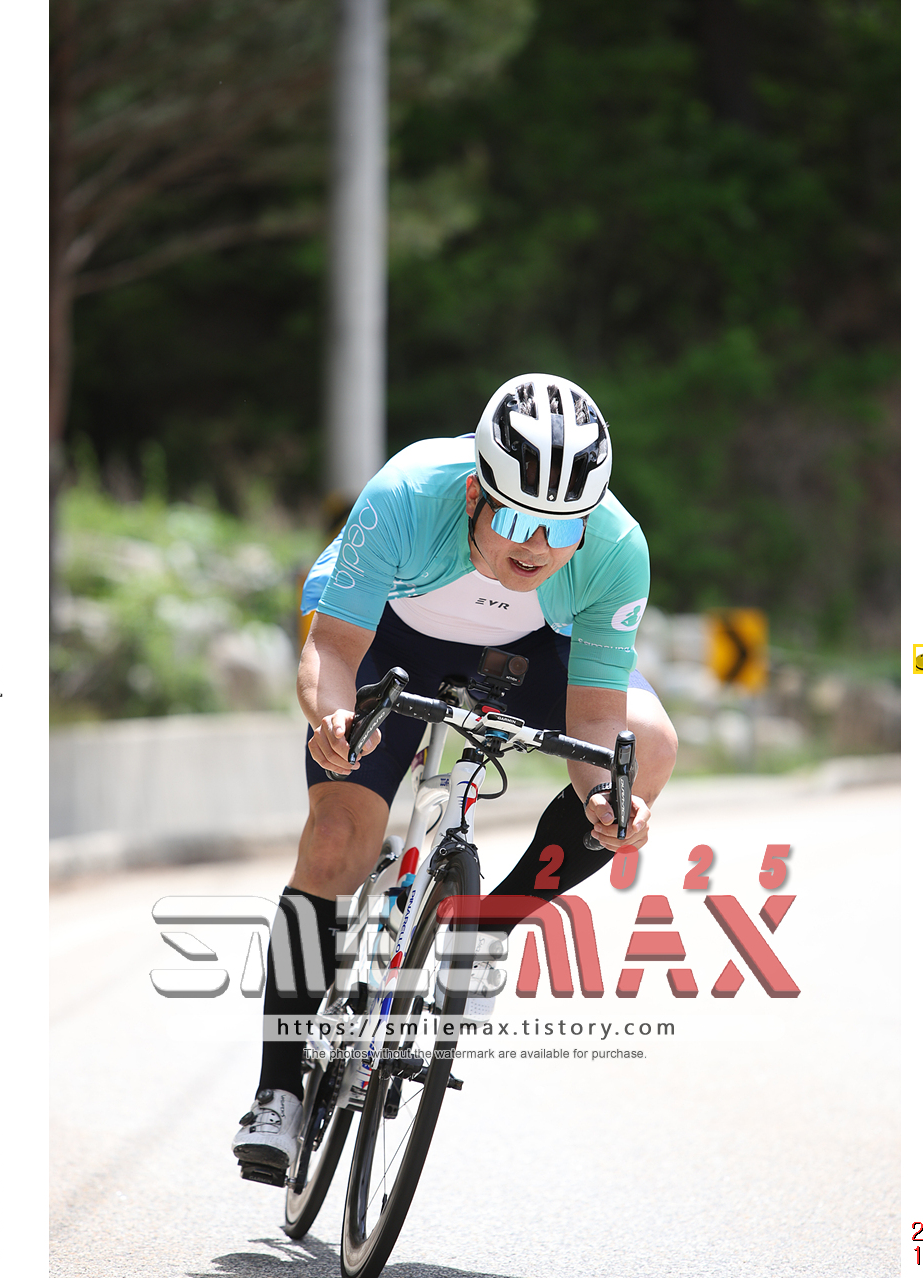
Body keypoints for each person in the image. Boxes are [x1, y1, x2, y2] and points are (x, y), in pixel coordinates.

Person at [232, 373, 678, 1182]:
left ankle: (486, 926)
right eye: (514, 519)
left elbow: (594, 718)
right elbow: (333, 648)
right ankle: (278, 1092)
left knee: (647, 748)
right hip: (392, 635)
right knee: (336, 840)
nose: (535, 546)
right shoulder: (407, 493)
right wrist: (332, 723)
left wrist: (605, 798)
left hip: (532, 650)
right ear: (474, 491)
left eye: (562, 529)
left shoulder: (616, 548)